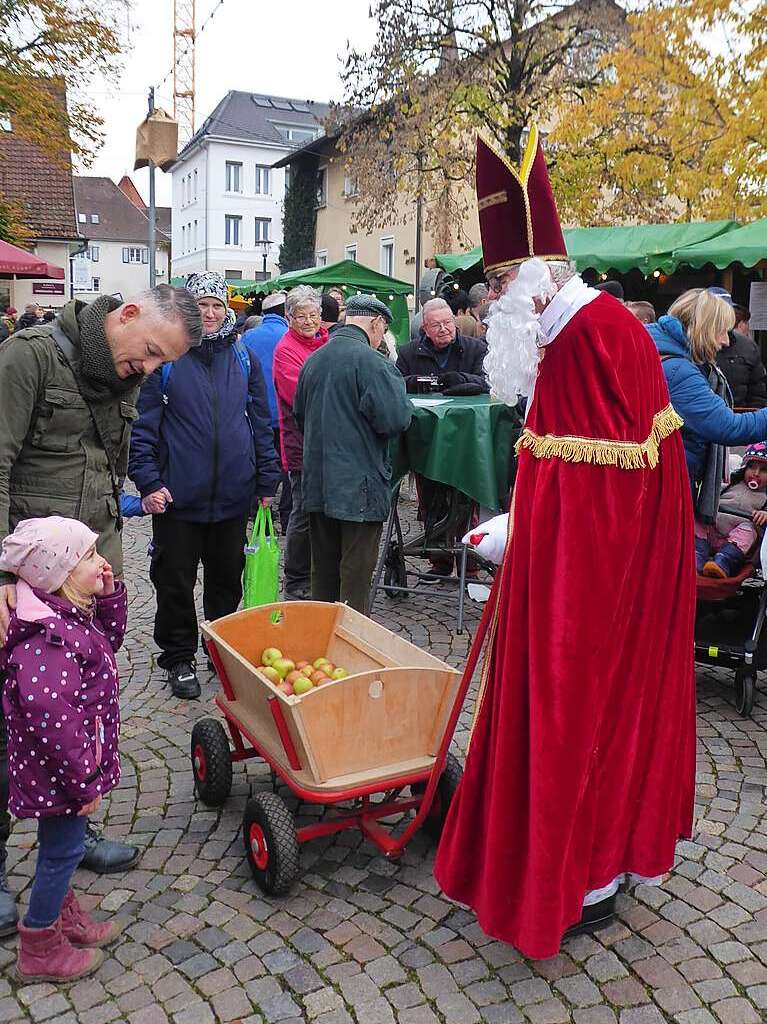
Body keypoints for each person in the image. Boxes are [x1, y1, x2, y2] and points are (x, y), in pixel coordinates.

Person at [434, 127, 697, 958]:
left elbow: (607, 499)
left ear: (540, 277)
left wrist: (529, 530)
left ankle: (577, 876)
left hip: (588, 595)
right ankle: (579, 868)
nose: (492, 301)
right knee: (580, 724)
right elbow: (570, 470)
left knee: (577, 721)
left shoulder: (592, 336)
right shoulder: (564, 336)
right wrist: (526, 519)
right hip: (573, 575)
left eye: (502, 281)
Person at [0, 284, 201, 911]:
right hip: (28, 583)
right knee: (12, 725)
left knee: (82, 712)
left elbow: (109, 469)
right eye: (148, 354)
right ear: (128, 314)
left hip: (91, 579)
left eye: (160, 364)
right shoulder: (28, 357)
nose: (148, 370)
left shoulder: (123, 374)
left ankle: (71, 833)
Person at [129, 272, 279, 699]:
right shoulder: (170, 359)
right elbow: (144, 428)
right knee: (174, 582)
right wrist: (149, 481)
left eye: (216, 305)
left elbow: (261, 421)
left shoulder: (243, 356)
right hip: (179, 497)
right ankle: (178, 658)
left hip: (233, 495)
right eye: (201, 305)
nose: (210, 313)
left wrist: (266, 478)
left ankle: (220, 647)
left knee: (226, 580)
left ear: (227, 309)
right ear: (187, 311)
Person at [0, 517, 128, 981]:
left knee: (63, 848)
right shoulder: (47, 640)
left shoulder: (68, 616)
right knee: (63, 850)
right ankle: (39, 944)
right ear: (58, 574)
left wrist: (110, 598)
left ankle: (61, 912)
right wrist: (84, 783)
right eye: (90, 557)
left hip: (66, 770)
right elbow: (52, 722)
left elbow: (107, 644)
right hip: (59, 775)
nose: (102, 562)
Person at [294, 295, 412, 613]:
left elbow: (300, 416)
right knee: (355, 580)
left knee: (324, 576)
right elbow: (395, 419)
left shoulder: (313, 360)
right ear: (375, 323)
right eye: (382, 328)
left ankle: (320, 649)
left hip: (319, 484)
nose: (381, 336)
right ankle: (350, 651)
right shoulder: (372, 362)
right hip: (359, 488)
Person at [647, 290, 767, 535]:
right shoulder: (679, 371)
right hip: (664, 488)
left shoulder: (654, 348)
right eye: (722, 330)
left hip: (651, 482)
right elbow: (729, 427)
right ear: (704, 328)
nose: (725, 341)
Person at [273, 286, 329, 600]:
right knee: (304, 511)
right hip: (301, 443)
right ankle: (296, 577)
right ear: (289, 318)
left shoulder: (326, 340)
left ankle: (317, 571)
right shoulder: (286, 350)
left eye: (313, 314)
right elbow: (298, 396)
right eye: (301, 316)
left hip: (327, 440)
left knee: (320, 510)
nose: (308, 321)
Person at [242, 291, 292, 532]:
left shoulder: (249, 336)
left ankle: (256, 507)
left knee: (259, 457)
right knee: (285, 465)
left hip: (256, 409)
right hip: (284, 411)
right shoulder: (290, 337)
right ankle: (286, 513)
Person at [696, 444, 767, 578]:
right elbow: (708, 496)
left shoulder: (765, 498)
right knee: (699, 520)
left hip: (737, 545)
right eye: (751, 467)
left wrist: (764, 515)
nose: (756, 473)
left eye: (763, 470)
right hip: (711, 533)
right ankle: (696, 557)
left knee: (748, 530)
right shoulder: (729, 486)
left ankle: (723, 562)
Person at [396, 297, 489, 395]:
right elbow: (395, 384)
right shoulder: (407, 352)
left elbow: (487, 383)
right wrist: (416, 382)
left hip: (466, 409)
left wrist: (462, 379)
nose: (443, 329)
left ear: (454, 321)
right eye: (436, 325)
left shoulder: (476, 348)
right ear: (425, 329)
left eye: (447, 322)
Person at [708, 287, 767, 409]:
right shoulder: (690, 345)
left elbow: (758, 393)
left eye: (727, 311)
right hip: (702, 421)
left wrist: (751, 422)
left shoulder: (748, 346)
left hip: (741, 420)